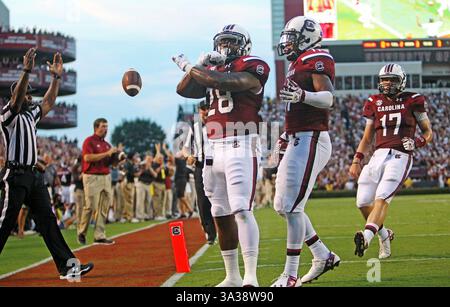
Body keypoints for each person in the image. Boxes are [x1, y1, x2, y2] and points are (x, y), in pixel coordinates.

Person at [174, 24, 270, 287]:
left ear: (244, 45)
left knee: (241, 209)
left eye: (232, 42)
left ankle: (251, 276)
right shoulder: (211, 69)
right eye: (222, 42)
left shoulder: (253, 65)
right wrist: (199, 65)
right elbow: (184, 90)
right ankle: (233, 276)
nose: (226, 46)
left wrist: (189, 66)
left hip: (241, 141)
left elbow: (222, 82)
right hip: (214, 146)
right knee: (219, 212)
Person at [0, 48, 93, 280]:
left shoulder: (31, 115)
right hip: (15, 175)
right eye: (26, 94)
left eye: (31, 95)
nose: (30, 97)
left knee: (49, 221)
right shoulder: (7, 116)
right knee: (5, 222)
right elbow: (16, 98)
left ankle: (68, 267)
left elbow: (49, 101)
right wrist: (26, 71)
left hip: (33, 176)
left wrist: (56, 77)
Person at [271, 16, 340, 287]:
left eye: (292, 38)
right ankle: (323, 255)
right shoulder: (296, 63)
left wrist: (304, 96)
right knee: (282, 206)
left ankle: (290, 275)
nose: (287, 44)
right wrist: (285, 137)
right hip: (298, 137)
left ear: (307, 37)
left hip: (312, 137)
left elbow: (329, 98)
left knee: (292, 205)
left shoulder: (317, 57)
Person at [349, 63, 433, 259]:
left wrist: (419, 141)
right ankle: (385, 235)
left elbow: (428, 132)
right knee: (362, 201)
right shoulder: (373, 101)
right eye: (384, 79)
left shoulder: (413, 100)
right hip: (378, 155)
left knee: (382, 197)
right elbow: (367, 136)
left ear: (401, 81)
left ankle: (367, 236)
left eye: (392, 79)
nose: (387, 83)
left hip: (400, 155)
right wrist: (357, 159)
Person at [78, 118, 124, 245]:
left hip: (105, 176)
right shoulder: (89, 141)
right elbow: (87, 158)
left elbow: (111, 164)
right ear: (96, 127)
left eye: (107, 126)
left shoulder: (106, 144)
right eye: (103, 126)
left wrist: (118, 159)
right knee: (91, 206)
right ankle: (82, 231)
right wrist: (107, 153)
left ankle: (99, 235)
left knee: (104, 207)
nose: (106, 129)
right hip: (92, 176)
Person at [184, 100, 216, 244]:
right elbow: (184, 148)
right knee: (202, 202)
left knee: (221, 199)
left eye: (207, 109)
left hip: (217, 165)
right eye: (202, 109)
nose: (205, 112)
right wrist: (188, 156)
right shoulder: (194, 127)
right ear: (199, 111)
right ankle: (210, 233)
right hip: (200, 166)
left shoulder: (218, 125)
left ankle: (228, 229)